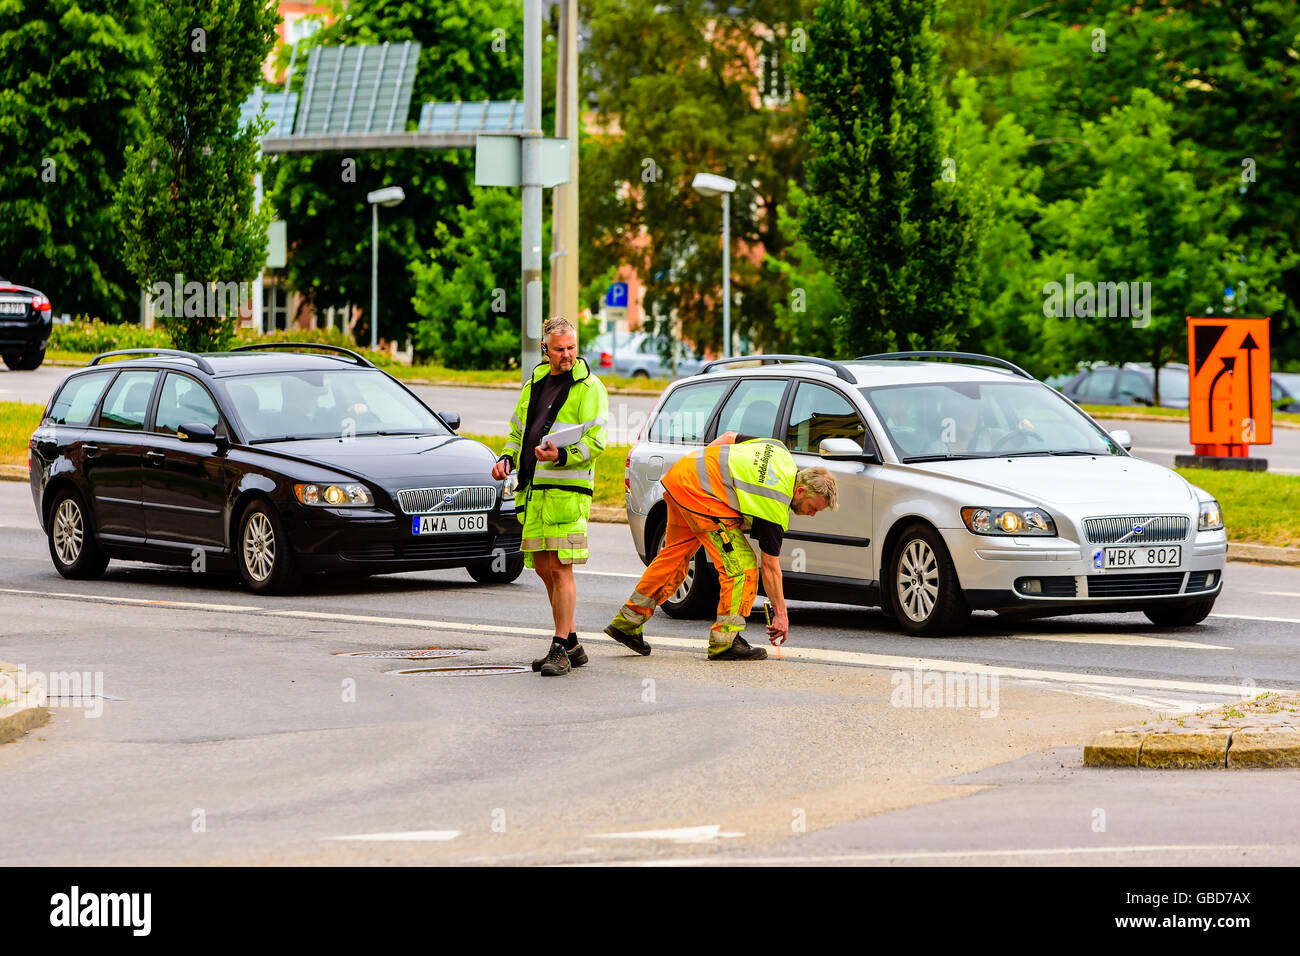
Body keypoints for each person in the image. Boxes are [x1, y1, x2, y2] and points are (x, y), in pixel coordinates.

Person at [605, 432, 837, 660]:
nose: (812, 514)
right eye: (813, 507)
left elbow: (728, 437)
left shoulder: (778, 451)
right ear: (800, 491)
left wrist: (704, 474)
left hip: (682, 477)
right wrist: (781, 615)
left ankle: (627, 623)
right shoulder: (775, 501)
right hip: (702, 498)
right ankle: (726, 642)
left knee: (674, 558)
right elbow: (770, 567)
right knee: (742, 567)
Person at [491, 317, 609, 677]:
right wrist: (507, 457)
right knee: (542, 568)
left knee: (560, 568)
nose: (567, 355)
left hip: (568, 492)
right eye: (559, 349)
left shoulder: (590, 387)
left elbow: (597, 442)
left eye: (571, 347)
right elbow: (518, 432)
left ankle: (560, 647)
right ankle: (572, 641)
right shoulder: (535, 383)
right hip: (533, 490)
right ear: (546, 349)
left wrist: (561, 455)